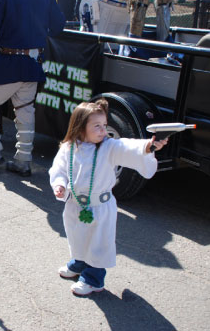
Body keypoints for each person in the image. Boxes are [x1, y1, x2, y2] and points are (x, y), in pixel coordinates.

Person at [48, 99, 167, 296]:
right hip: (75, 203)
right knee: (77, 236)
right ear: (80, 126)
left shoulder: (109, 146)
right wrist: (59, 184)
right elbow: (58, 169)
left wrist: (149, 146)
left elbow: (128, 147)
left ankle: (93, 279)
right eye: (97, 126)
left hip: (100, 208)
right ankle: (79, 263)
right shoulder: (69, 147)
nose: (103, 130)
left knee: (98, 243)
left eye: (104, 125)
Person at [0, 0, 65, 177]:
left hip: (7, 61)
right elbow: (57, 26)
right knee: (25, 109)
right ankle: (23, 160)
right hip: (32, 62)